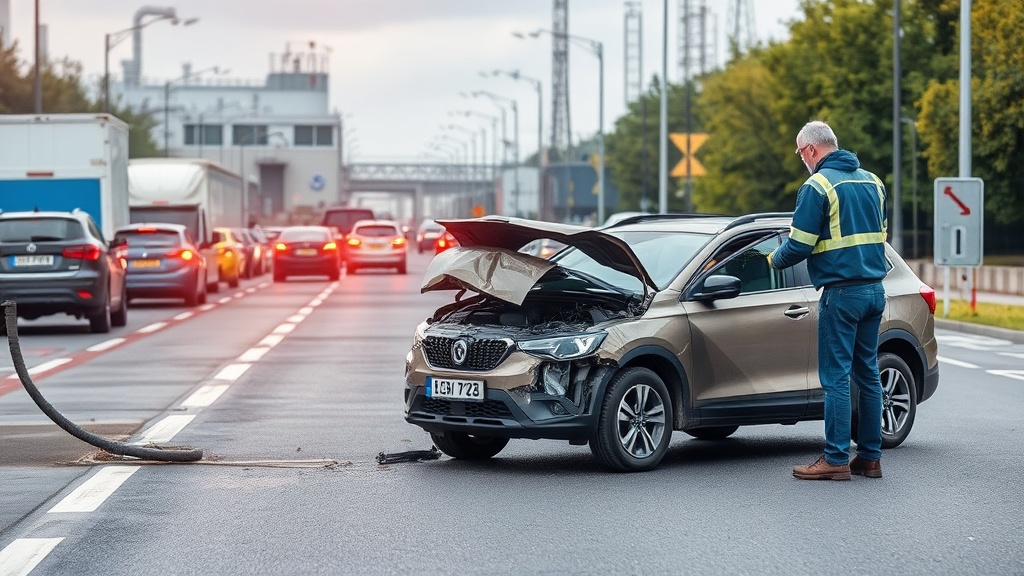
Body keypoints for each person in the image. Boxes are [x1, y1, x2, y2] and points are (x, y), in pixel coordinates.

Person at [767, 120, 888, 481]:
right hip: (875, 290)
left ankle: (835, 458)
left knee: (835, 377)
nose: (802, 160)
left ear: (811, 150)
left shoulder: (817, 185)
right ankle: (870, 458)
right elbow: (878, 235)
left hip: (841, 293)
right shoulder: (874, 182)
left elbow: (800, 243)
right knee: (868, 374)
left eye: (800, 153)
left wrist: (772, 260)